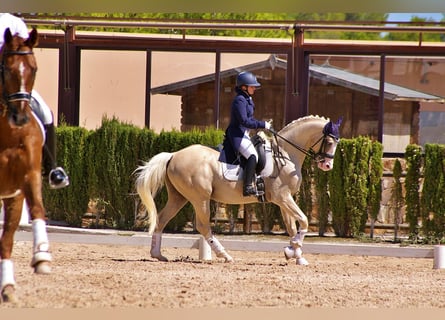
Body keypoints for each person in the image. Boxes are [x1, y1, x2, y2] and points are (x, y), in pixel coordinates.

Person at [0, 13, 69, 189]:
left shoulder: (16, 23)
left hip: (14, 86)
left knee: (46, 113)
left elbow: (24, 56)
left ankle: (53, 169)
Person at [219, 71, 272, 196]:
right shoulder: (239, 100)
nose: (254, 88)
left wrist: (262, 124)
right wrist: (262, 125)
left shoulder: (247, 99)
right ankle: (247, 187)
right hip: (237, 134)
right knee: (252, 155)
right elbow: (244, 121)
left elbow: (251, 119)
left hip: (244, 133)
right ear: (244, 87)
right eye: (252, 86)